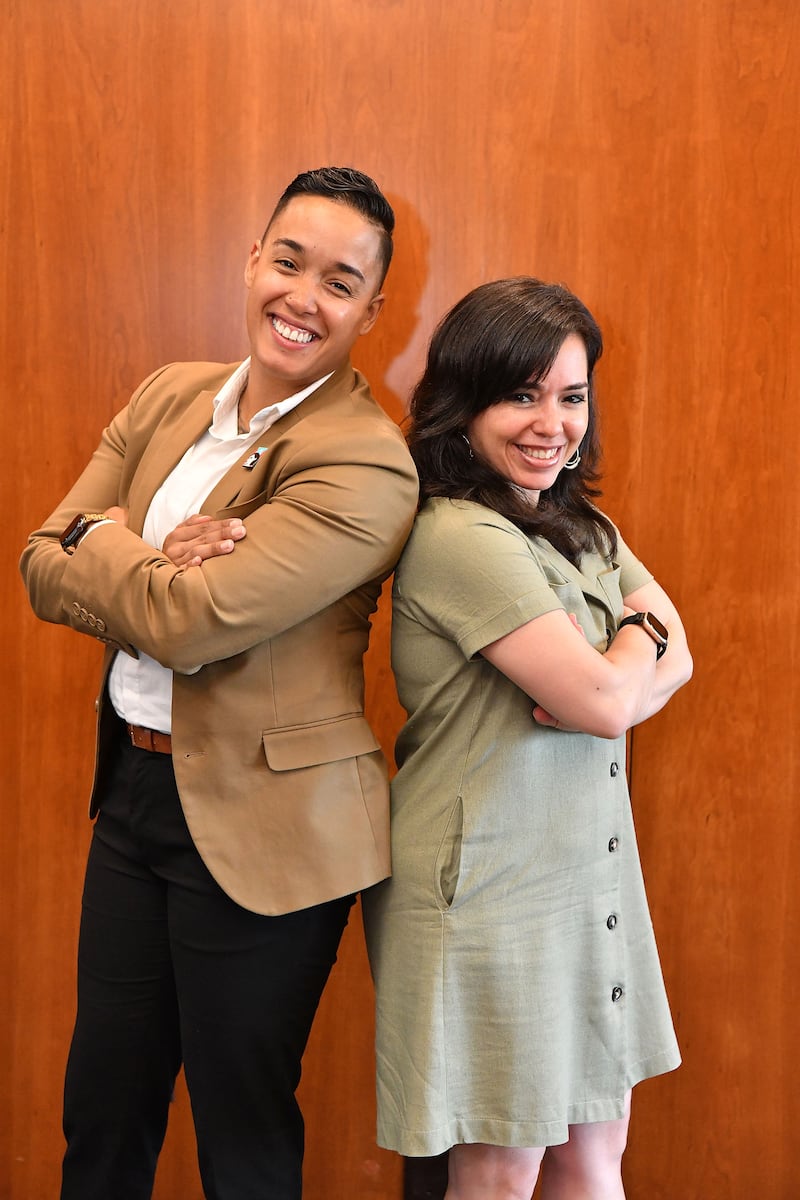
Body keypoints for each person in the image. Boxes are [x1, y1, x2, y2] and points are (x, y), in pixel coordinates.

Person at [19, 166, 418, 1200]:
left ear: (374, 311)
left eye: (339, 281)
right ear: (251, 261)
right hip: (135, 805)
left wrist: (104, 540)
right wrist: (144, 556)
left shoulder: (366, 463)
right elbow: (34, 562)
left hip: (270, 828)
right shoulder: (167, 395)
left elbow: (189, 625)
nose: (302, 296)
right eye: (286, 261)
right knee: (101, 1115)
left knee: (242, 1143)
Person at [362, 277, 693, 1199]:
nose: (553, 423)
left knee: (596, 1153)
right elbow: (609, 696)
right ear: (461, 402)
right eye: (521, 394)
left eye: (571, 396)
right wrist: (628, 669)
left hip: (586, 877)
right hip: (487, 889)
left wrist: (625, 666)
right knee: (502, 1170)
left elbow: (665, 654)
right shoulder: (460, 534)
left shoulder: (579, 525)